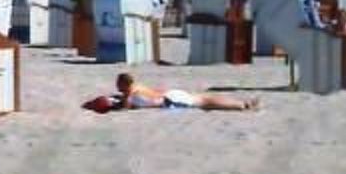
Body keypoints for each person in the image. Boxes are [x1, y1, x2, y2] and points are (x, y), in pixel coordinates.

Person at [83, 71, 258, 113]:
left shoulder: (129, 94)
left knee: (207, 102)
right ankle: (241, 103)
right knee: (206, 99)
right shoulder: (138, 86)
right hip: (170, 94)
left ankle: (241, 105)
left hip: (170, 101)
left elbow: (126, 107)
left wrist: (114, 105)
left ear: (123, 85)